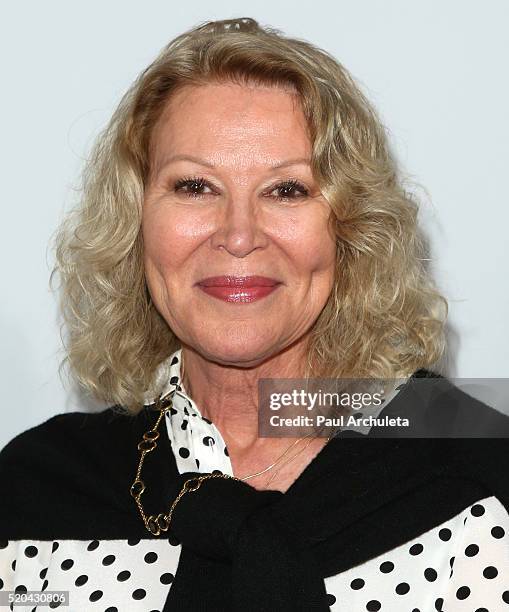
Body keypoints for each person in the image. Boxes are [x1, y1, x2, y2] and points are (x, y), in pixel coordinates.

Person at [1, 16, 508, 612]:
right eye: (195, 186)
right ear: (135, 223)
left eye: (286, 190)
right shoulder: (33, 490)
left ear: (352, 228)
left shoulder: (483, 475)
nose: (238, 235)